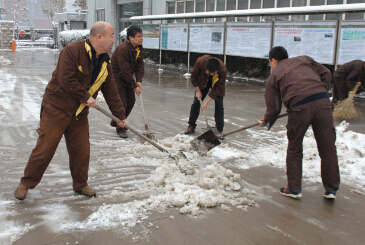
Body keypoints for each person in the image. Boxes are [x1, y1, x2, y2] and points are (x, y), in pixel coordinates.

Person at [14, 21, 127, 200]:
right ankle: (26, 183)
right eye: (112, 36)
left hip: (79, 113)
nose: (114, 40)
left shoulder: (105, 60)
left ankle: (80, 184)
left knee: (81, 151)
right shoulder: (73, 50)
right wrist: (85, 96)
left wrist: (120, 116)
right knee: (45, 149)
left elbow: (111, 90)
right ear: (99, 37)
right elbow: (65, 78)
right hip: (56, 109)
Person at [258, 46, 340, 199]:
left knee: (295, 148)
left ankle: (294, 189)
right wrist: (321, 91)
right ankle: (331, 189)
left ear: (273, 61)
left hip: (299, 108)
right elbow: (327, 73)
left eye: (270, 63)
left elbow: (274, 108)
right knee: (328, 147)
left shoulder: (274, 76)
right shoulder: (304, 59)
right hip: (323, 103)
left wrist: (267, 123)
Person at [110, 25, 144, 138]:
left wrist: (139, 80)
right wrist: (134, 85)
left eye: (142, 36)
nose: (141, 38)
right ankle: (120, 128)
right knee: (122, 103)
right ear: (131, 37)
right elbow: (124, 70)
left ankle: (116, 120)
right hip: (116, 77)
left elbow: (140, 64)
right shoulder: (123, 49)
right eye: (138, 36)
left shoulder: (138, 48)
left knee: (131, 101)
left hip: (127, 77)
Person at [185, 55, 227, 136]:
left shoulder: (223, 70)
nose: (211, 74)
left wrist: (206, 102)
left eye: (213, 73)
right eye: (210, 72)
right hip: (203, 81)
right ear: (206, 68)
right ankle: (191, 125)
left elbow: (218, 88)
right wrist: (198, 91)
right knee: (196, 102)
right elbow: (193, 77)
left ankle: (219, 129)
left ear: (217, 70)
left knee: (219, 105)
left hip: (217, 83)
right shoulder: (200, 62)